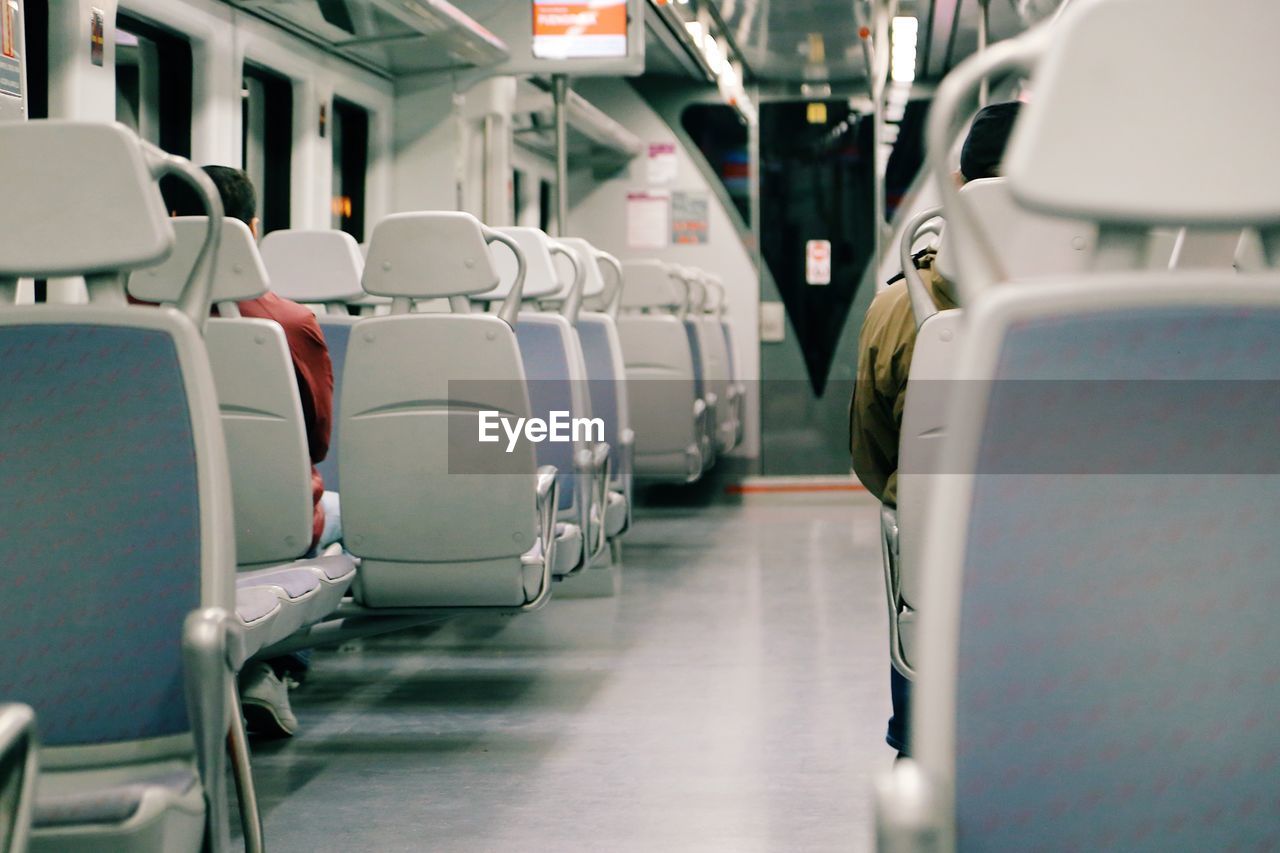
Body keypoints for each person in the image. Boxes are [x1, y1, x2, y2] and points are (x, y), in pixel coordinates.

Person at [849, 101, 1022, 756]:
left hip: (934, 552)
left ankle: (922, 746)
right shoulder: (1104, 306)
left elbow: (871, 452)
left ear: (959, 186)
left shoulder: (901, 307)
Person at [169, 166, 338, 737]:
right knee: (337, 516)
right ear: (252, 232)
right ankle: (272, 668)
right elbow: (314, 443)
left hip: (157, 528)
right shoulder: (292, 324)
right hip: (274, 522)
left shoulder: (122, 325)